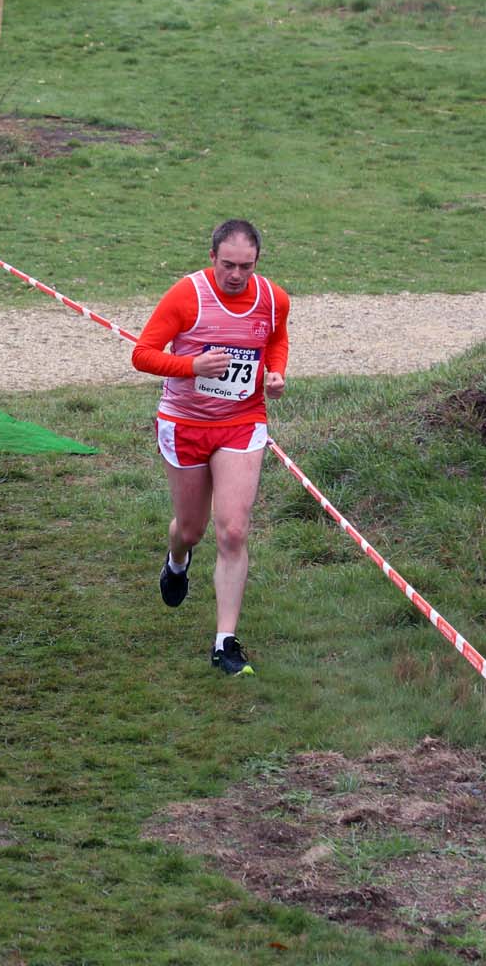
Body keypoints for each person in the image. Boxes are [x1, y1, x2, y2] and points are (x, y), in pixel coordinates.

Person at [130, 220, 290, 678]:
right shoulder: (186, 295)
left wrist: (275, 374)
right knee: (191, 529)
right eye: (228, 265)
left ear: (257, 262)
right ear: (212, 257)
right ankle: (177, 560)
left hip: (242, 422)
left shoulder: (273, 299)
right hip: (185, 423)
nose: (236, 275)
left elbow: (275, 340)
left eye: (246, 266)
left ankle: (225, 642)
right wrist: (191, 365)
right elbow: (142, 354)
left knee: (234, 531)